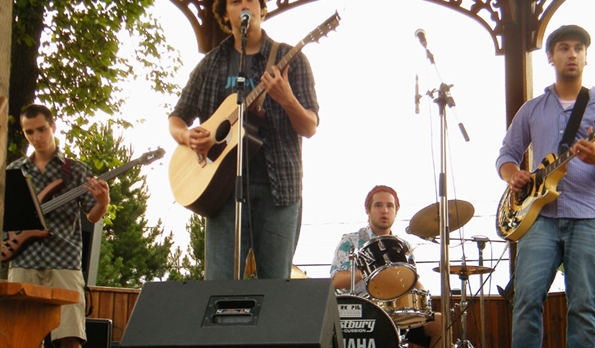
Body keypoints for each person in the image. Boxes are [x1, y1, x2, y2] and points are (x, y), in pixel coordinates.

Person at [168, 0, 318, 280]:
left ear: (262, 9)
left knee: (275, 290)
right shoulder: (210, 64)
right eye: (235, 1)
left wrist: (287, 100)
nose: (244, 5)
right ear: (225, 14)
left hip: (279, 192)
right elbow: (177, 118)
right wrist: (187, 136)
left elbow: (309, 126)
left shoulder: (290, 58)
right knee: (218, 289)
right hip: (221, 191)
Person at [496, 25, 595, 348]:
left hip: (589, 218)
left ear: (585, 57)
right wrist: (514, 176)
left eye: (579, 48)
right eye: (564, 48)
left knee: (582, 308)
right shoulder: (533, 108)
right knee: (525, 302)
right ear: (551, 56)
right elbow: (507, 155)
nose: (572, 54)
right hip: (540, 218)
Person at [4, 104, 110, 348]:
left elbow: (92, 216)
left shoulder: (76, 170)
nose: (36, 137)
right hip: (23, 261)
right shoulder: (14, 170)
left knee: (70, 337)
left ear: (53, 126)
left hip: (64, 261)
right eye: (29, 132)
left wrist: (103, 203)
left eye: (41, 129)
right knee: (20, 337)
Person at [330, 185, 447, 348]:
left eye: (389, 206)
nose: (384, 210)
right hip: (361, 313)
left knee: (440, 322)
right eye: (378, 205)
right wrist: (369, 270)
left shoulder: (403, 246)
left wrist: (422, 296)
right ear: (368, 210)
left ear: (396, 211)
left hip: (395, 312)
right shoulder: (351, 241)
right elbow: (335, 280)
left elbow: (412, 280)